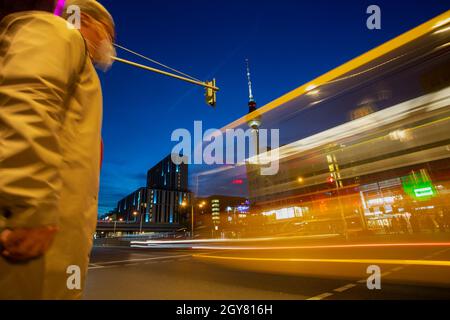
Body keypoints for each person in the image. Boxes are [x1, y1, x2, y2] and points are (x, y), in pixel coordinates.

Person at [0, 0, 115, 299]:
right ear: (86, 19)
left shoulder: (74, 57)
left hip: (54, 240)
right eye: (107, 34)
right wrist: (29, 209)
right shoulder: (59, 32)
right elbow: (27, 103)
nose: (109, 45)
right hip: (31, 239)